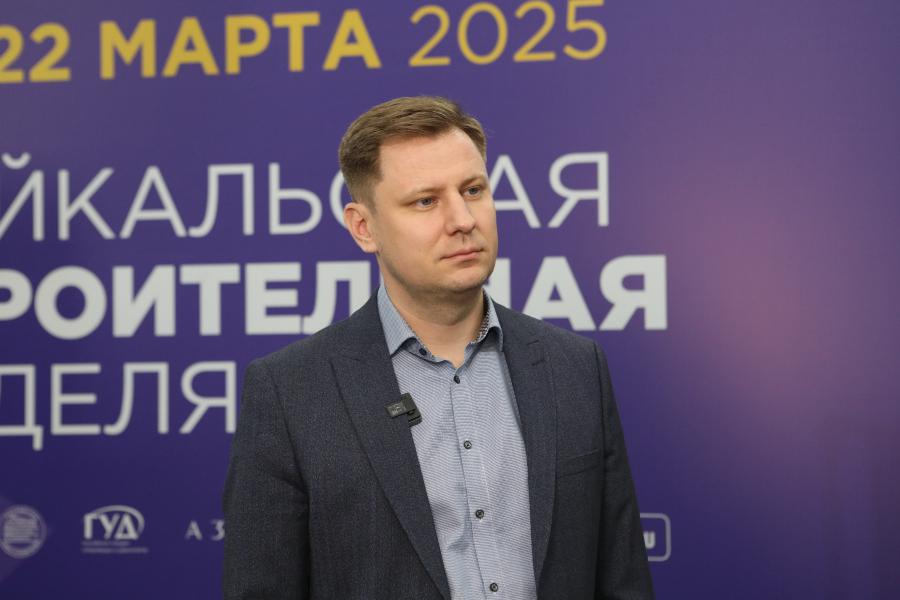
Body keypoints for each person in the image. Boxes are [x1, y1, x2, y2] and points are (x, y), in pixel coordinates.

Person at [222, 96, 654, 599]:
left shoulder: (575, 367)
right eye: (425, 201)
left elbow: (623, 580)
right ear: (364, 227)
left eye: (473, 190)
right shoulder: (290, 392)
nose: (462, 219)